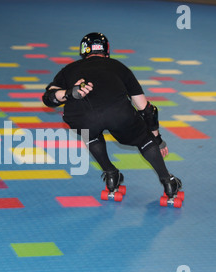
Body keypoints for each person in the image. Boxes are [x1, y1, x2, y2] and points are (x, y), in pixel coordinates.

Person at [42, 32, 182, 200]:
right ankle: (168, 182)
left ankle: (110, 175)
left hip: (82, 114)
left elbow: (48, 99)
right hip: (118, 113)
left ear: (83, 51)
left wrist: (70, 93)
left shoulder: (69, 69)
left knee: (89, 132)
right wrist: (157, 139)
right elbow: (145, 108)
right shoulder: (118, 66)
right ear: (106, 50)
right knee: (143, 139)